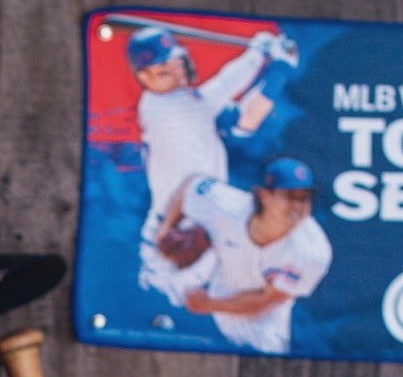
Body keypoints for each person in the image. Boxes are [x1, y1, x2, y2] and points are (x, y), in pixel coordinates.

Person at [127, 24, 292, 306]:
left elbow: (245, 117)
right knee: (167, 305)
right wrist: (259, 56)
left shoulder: (188, 103)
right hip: (172, 235)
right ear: (144, 77)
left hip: (206, 229)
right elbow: (224, 87)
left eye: (174, 62)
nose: (174, 71)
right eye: (162, 68)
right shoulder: (162, 108)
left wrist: (275, 66)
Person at [160, 156, 332, 354]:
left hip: (262, 326)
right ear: (264, 196)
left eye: (304, 198)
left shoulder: (310, 251)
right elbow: (192, 187)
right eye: (290, 196)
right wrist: (164, 230)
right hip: (213, 293)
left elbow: (268, 300)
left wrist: (209, 304)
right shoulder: (229, 207)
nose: (298, 206)